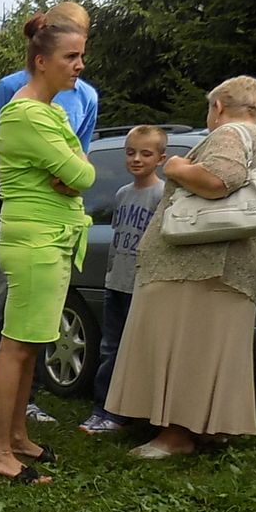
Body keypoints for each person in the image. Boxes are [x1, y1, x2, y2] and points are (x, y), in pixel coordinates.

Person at [108, 77, 256, 457]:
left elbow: (220, 178)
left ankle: (175, 436)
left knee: (185, 346)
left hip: (203, 265)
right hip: (230, 265)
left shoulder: (229, 133)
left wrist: (176, 166)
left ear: (218, 106)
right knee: (211, 350)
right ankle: (208, 429)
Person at [0, 2, 100, 432]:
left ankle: (23, 407)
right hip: (17, 219)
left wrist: (68, 170)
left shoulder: (83, 97)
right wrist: (59, 168)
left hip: (57, 225)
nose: (79, 63)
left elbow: (81, 160)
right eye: (71, 53)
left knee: (35, 328)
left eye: (82, 50)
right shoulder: (15, 92)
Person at [79, 126, 168, 434]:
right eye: (131, 153)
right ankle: (102, 408)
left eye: (146, 153)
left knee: (137, 352)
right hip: (115, 283)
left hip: (142, 287)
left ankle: (126, 413)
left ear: (160, 159)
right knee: (110, 348)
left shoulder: (162, 195)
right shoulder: (122, 194)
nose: (137, 159)